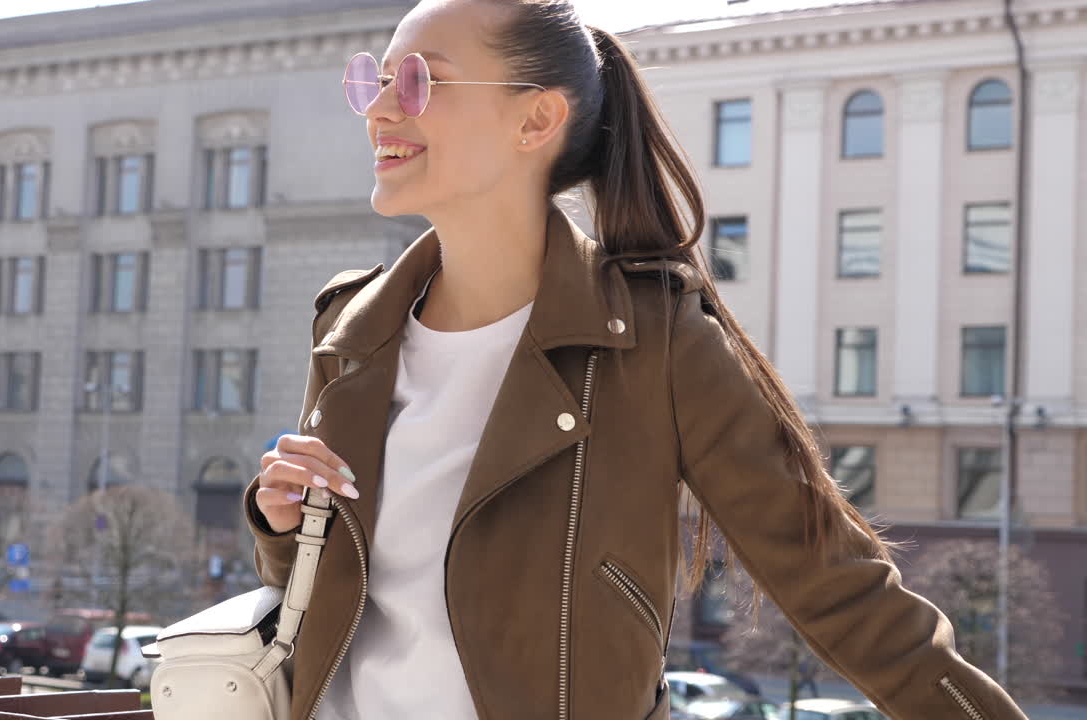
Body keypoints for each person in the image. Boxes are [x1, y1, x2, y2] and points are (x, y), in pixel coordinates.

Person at [244, 1, 1028, 718]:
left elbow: (843, 593)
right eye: (374, 80)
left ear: (536, 119)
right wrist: (281, 525)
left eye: (419, 81)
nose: (380, 108)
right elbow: (314, 594)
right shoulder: (350, 329)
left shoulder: (656, 340)